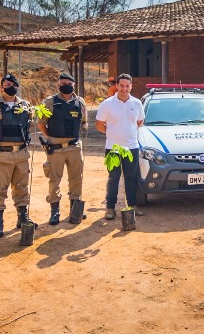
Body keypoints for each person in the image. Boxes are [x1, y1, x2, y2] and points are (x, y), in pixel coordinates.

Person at [0, 73, 36, 239]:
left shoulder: (26, 106)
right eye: (7, 84)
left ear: (18, 87)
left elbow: (29, 125)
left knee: (21, 187)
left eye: (13, 84)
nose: (10, 87)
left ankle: (22, 217)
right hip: (2, 155)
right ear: (1, 87)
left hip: (21, 154)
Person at [37, 73, 88, 225]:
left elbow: (84, 121)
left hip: (74, 147)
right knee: (54, 180)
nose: (65, 85)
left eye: (69, 83)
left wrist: (80, 132)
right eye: (62, 83)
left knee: (76, 178)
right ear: (58, 85)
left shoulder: (80, 102)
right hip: (56, 148)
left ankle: (75, 209)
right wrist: (51, 137)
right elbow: (41, 123)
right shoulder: (49, 102)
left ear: (73, 85)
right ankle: (55, 212)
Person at [95, 73, 145, 220]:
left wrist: (126, 134)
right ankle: (110, 208)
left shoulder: (137, 103)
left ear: (131, 86)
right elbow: (99, 125)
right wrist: (112, 134)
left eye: (127, 86)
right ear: (116, 86)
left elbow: (139, 122)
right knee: (113, 178)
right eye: (121, 85)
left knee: (131, 178)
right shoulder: (107, 104)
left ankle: (132, 206)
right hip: (113, 148)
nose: (124, 88)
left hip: (132, 147)